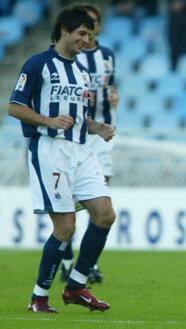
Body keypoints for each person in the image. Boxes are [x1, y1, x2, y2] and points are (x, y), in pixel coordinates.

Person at [8, 6, 116, 313]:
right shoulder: (38, 64)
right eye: (82, 33)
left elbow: (82, 117)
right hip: (50, 150)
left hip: (82, 151)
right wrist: (47, 120)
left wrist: (97, 127)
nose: (86, 40)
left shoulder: (81, 72)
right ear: (64, 31)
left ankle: (76, 286)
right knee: (66, 226)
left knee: (105, 214)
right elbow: (14, 107)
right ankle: (39, 296)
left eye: (90, 35)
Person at [59, 2, 119, 285]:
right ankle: (67, 257)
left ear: (99, 25)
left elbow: (108, 86)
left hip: (100, 137)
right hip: (77, 136)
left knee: (99, 194)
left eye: (94, 22)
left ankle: (87, 264)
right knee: (72, 200)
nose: (91, 28)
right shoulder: (73, 55)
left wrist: (112, 96)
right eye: (86, 23)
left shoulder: (107, 56)